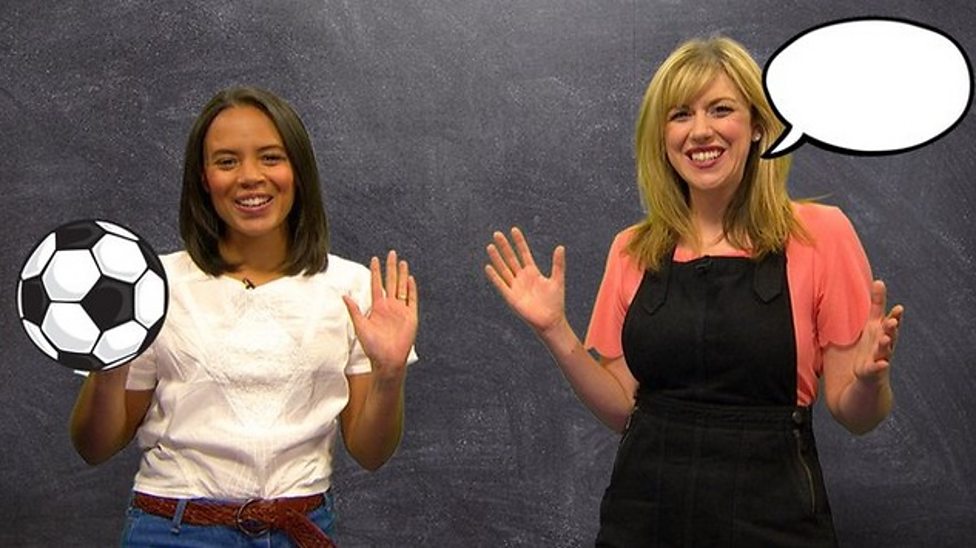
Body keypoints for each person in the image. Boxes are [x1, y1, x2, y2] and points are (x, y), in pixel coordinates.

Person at [485, 36, 903, 547]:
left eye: (721, 109)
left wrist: (866, 382)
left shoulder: (820, 235)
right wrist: (555, 332)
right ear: (661, 137)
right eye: (680, 114)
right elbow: (623, 410)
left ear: (756, 128)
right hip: (642, 521)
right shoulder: (632, 249)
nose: (700, 130)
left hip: (774, 524)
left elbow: (855, 415)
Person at [70, 86, 419, 547]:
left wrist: (389, 374)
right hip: (173, 530)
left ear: (299, 170)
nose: (250, 176)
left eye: (271, 157)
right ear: (203, 177)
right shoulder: (151, 284)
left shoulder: (352, 289)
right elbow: (95, 446)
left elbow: (371, 453)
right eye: (227, 161)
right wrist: (109, 363)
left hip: (299, 529)